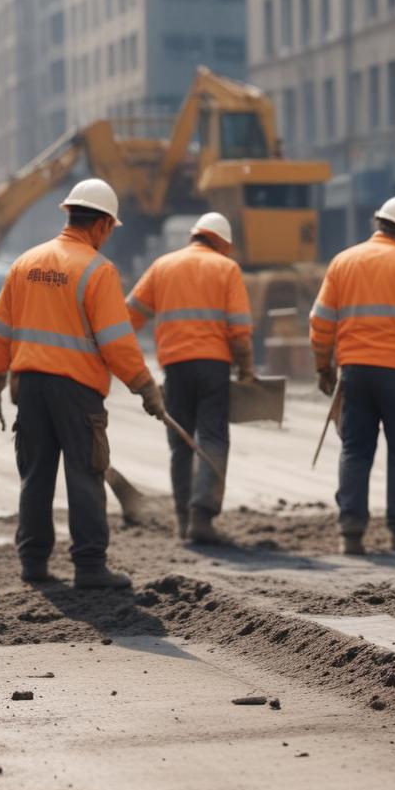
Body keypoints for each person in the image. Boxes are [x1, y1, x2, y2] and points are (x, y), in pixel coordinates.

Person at [0, 178, 165, 589]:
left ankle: (33, 563)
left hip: (29, 388)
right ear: (100, 225)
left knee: (36, 475)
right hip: (77, 391)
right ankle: (90, 567)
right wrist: (146, 388)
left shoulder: (25, 264)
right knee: (84, 473)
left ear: (71, 214)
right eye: (109, 230)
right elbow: (117, 344)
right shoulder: (97, 271)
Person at [309, 195, 395, 555]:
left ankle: (351, 535)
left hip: (354, 372)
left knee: (355, 451)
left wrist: (323, 366)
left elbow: (320, 321)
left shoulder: (343, 262)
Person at [127, 212, 254, 544]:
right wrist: (246, 369)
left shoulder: (162, 266)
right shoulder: (226, 269)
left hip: (175, 367)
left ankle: (183, 520)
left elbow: (129, 317)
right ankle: (202, 516)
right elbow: (239, 331)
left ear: (195, 236)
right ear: (222, 243)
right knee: (212, 436)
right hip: (213, 366)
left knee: (180, 443)